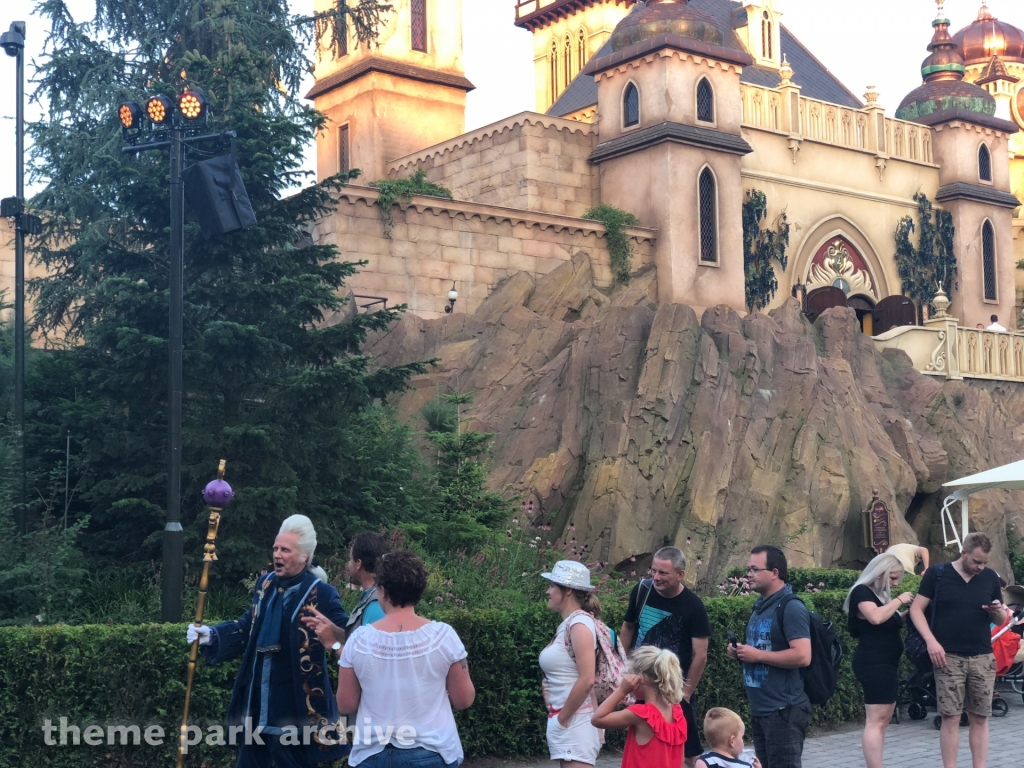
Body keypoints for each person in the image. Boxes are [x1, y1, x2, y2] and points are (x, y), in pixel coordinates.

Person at [186, 514, 350, 767]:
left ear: (304, 556)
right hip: (257, 703)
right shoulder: (264, 585)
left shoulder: (322, 593)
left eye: (285, 550)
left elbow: (348, 633)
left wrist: (332, 632)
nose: (277, 555)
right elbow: (247, 627)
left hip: (296, 708)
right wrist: (212, 634)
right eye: (275, 548)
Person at [337, 550, 475, 768]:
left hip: (372, 755)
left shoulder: (359, 640)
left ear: (382, 590)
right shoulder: (443, 637)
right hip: (432, 752)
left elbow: (346, 704)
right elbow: (463, 700)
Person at [910, 532, 1007, 768]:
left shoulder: (990, 577)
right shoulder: (938, 573)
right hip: (948, 657)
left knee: (980, 717)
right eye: (976, 561)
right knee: (951, 717)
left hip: (982, 656)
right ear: (963, 553)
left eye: (984, 562)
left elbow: (1002, 618)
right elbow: (916, 609)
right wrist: (931, 641)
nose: (980, 567)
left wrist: (997, 612)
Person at [620, 546, 710, 768]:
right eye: (653, 571)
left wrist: (685, 693)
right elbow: (628, 627)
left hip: (672, 690)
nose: (656, 577)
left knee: (688, 753)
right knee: (645, 743)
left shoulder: (693, 606)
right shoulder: (642, 590)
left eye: (663, 573)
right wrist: (621, 666)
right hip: (642, 685)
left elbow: (700, 655)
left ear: (680, 575)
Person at [726, 545, 812, 768]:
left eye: (755, 569)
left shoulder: (791, 607)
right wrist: (741, 652)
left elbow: (803, 656)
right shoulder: (761, 606)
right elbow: (763, 648)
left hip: (784, 710)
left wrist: (758, 655)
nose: (749, 575)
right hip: (762, 709)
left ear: (774, 572)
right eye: (748, 569)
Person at [843, 553, 915, 768]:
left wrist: (911, 611)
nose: (895, 583)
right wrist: (899, 600)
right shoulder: (862, 592)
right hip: (874, 663)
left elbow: (891, 620)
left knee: (883, 719)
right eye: (892, 578)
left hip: (885, 663)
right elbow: (875, 617)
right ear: (879, 573)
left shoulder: (880, 596)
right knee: (876, 720)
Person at [540, 560, 603, 768]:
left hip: (576, 724)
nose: (548, 591)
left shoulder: (579, 625)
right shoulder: (570, 624)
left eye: (552, 586)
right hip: (571, 722)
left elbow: (587, 679)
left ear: (567, 590)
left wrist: (561, 720)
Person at [590, 646, 688, 768]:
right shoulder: (677, 713)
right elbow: (681, 761)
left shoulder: (642, 713)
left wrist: (622, 690)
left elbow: (597, 719)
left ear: (640, 679)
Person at [346, 532, 389, 629]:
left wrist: (332, 639)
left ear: (358, 564)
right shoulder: (376, 596)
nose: (348, 565)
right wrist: (334, 631)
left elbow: (375, 639)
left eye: (350, 559)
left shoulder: (376, 604)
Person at [696, 708, 762, 768]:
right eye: (742, 737)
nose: (743, 741)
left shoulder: (704, 761)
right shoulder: (745, 766)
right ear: (732, 741)